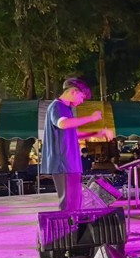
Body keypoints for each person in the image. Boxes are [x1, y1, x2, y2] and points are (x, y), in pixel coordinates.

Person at [41, 78, 112, 211]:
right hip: (64, 163)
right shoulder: (57, 106)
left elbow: (72, 133)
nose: (82, 101)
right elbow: (63, 123)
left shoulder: (66, 109)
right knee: (69, 203)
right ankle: (68, 225)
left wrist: (97, 133)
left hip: (70, 163)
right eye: (82, 97)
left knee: (75, 201)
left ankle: (73, 224)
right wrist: (91, 118)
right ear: (74, 91)